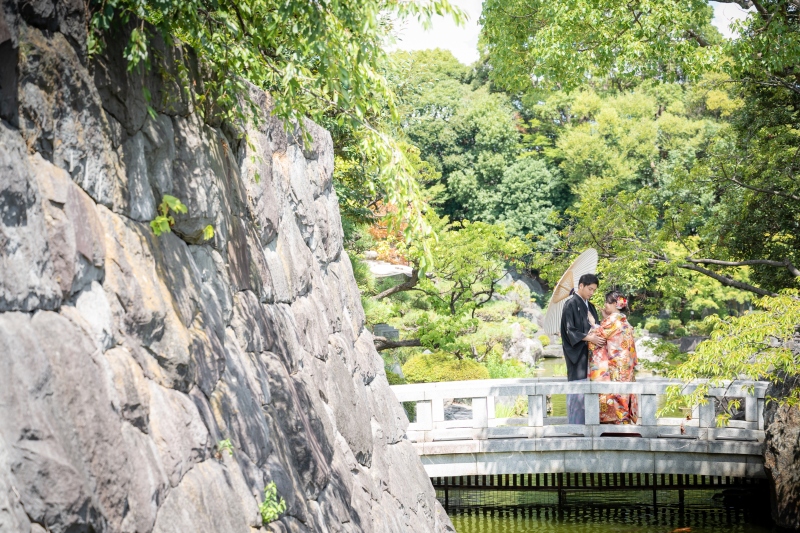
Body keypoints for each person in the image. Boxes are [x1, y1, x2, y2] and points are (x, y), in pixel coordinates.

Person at [560, 273, 605, 424]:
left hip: (591, 354)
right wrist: (589, 337)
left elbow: (597, 328)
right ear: (581, 286)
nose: (592, 293)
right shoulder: (570, 304)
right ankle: (576, 425)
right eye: (590, 289)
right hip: (577, 354)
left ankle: (591, 423)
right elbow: (569, 330)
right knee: (578, 390)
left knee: (592, 387)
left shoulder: (590, 306)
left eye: (594, 290)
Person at [588, 291, 639, 424]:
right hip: (626, 363)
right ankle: (626, 422)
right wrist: (605, 318)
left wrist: (593, 323)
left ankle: (619, 423)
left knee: (617, 393)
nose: (604, 305)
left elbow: (597, 336)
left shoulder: (612, 320)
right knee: (624, 393)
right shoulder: (623, 319)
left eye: (606, 302)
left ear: (614, 304)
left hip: (616, 364)